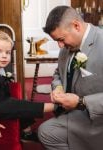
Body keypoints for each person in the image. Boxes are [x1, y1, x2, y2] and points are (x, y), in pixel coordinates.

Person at [0, 29, 54, 142]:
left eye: (7, 52)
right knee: (19, 106)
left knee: (21, 104)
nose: (4, 56)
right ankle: (54, 107)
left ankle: (26, 132)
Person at [38, 5, 103, 150]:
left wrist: (81, 102)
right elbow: (57, 73)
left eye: (61, 39)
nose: (60, 46)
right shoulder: (67, 48)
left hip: (97, 119)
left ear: (76, 26)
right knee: (45, 132)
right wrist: (58, 87)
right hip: (73, 114)